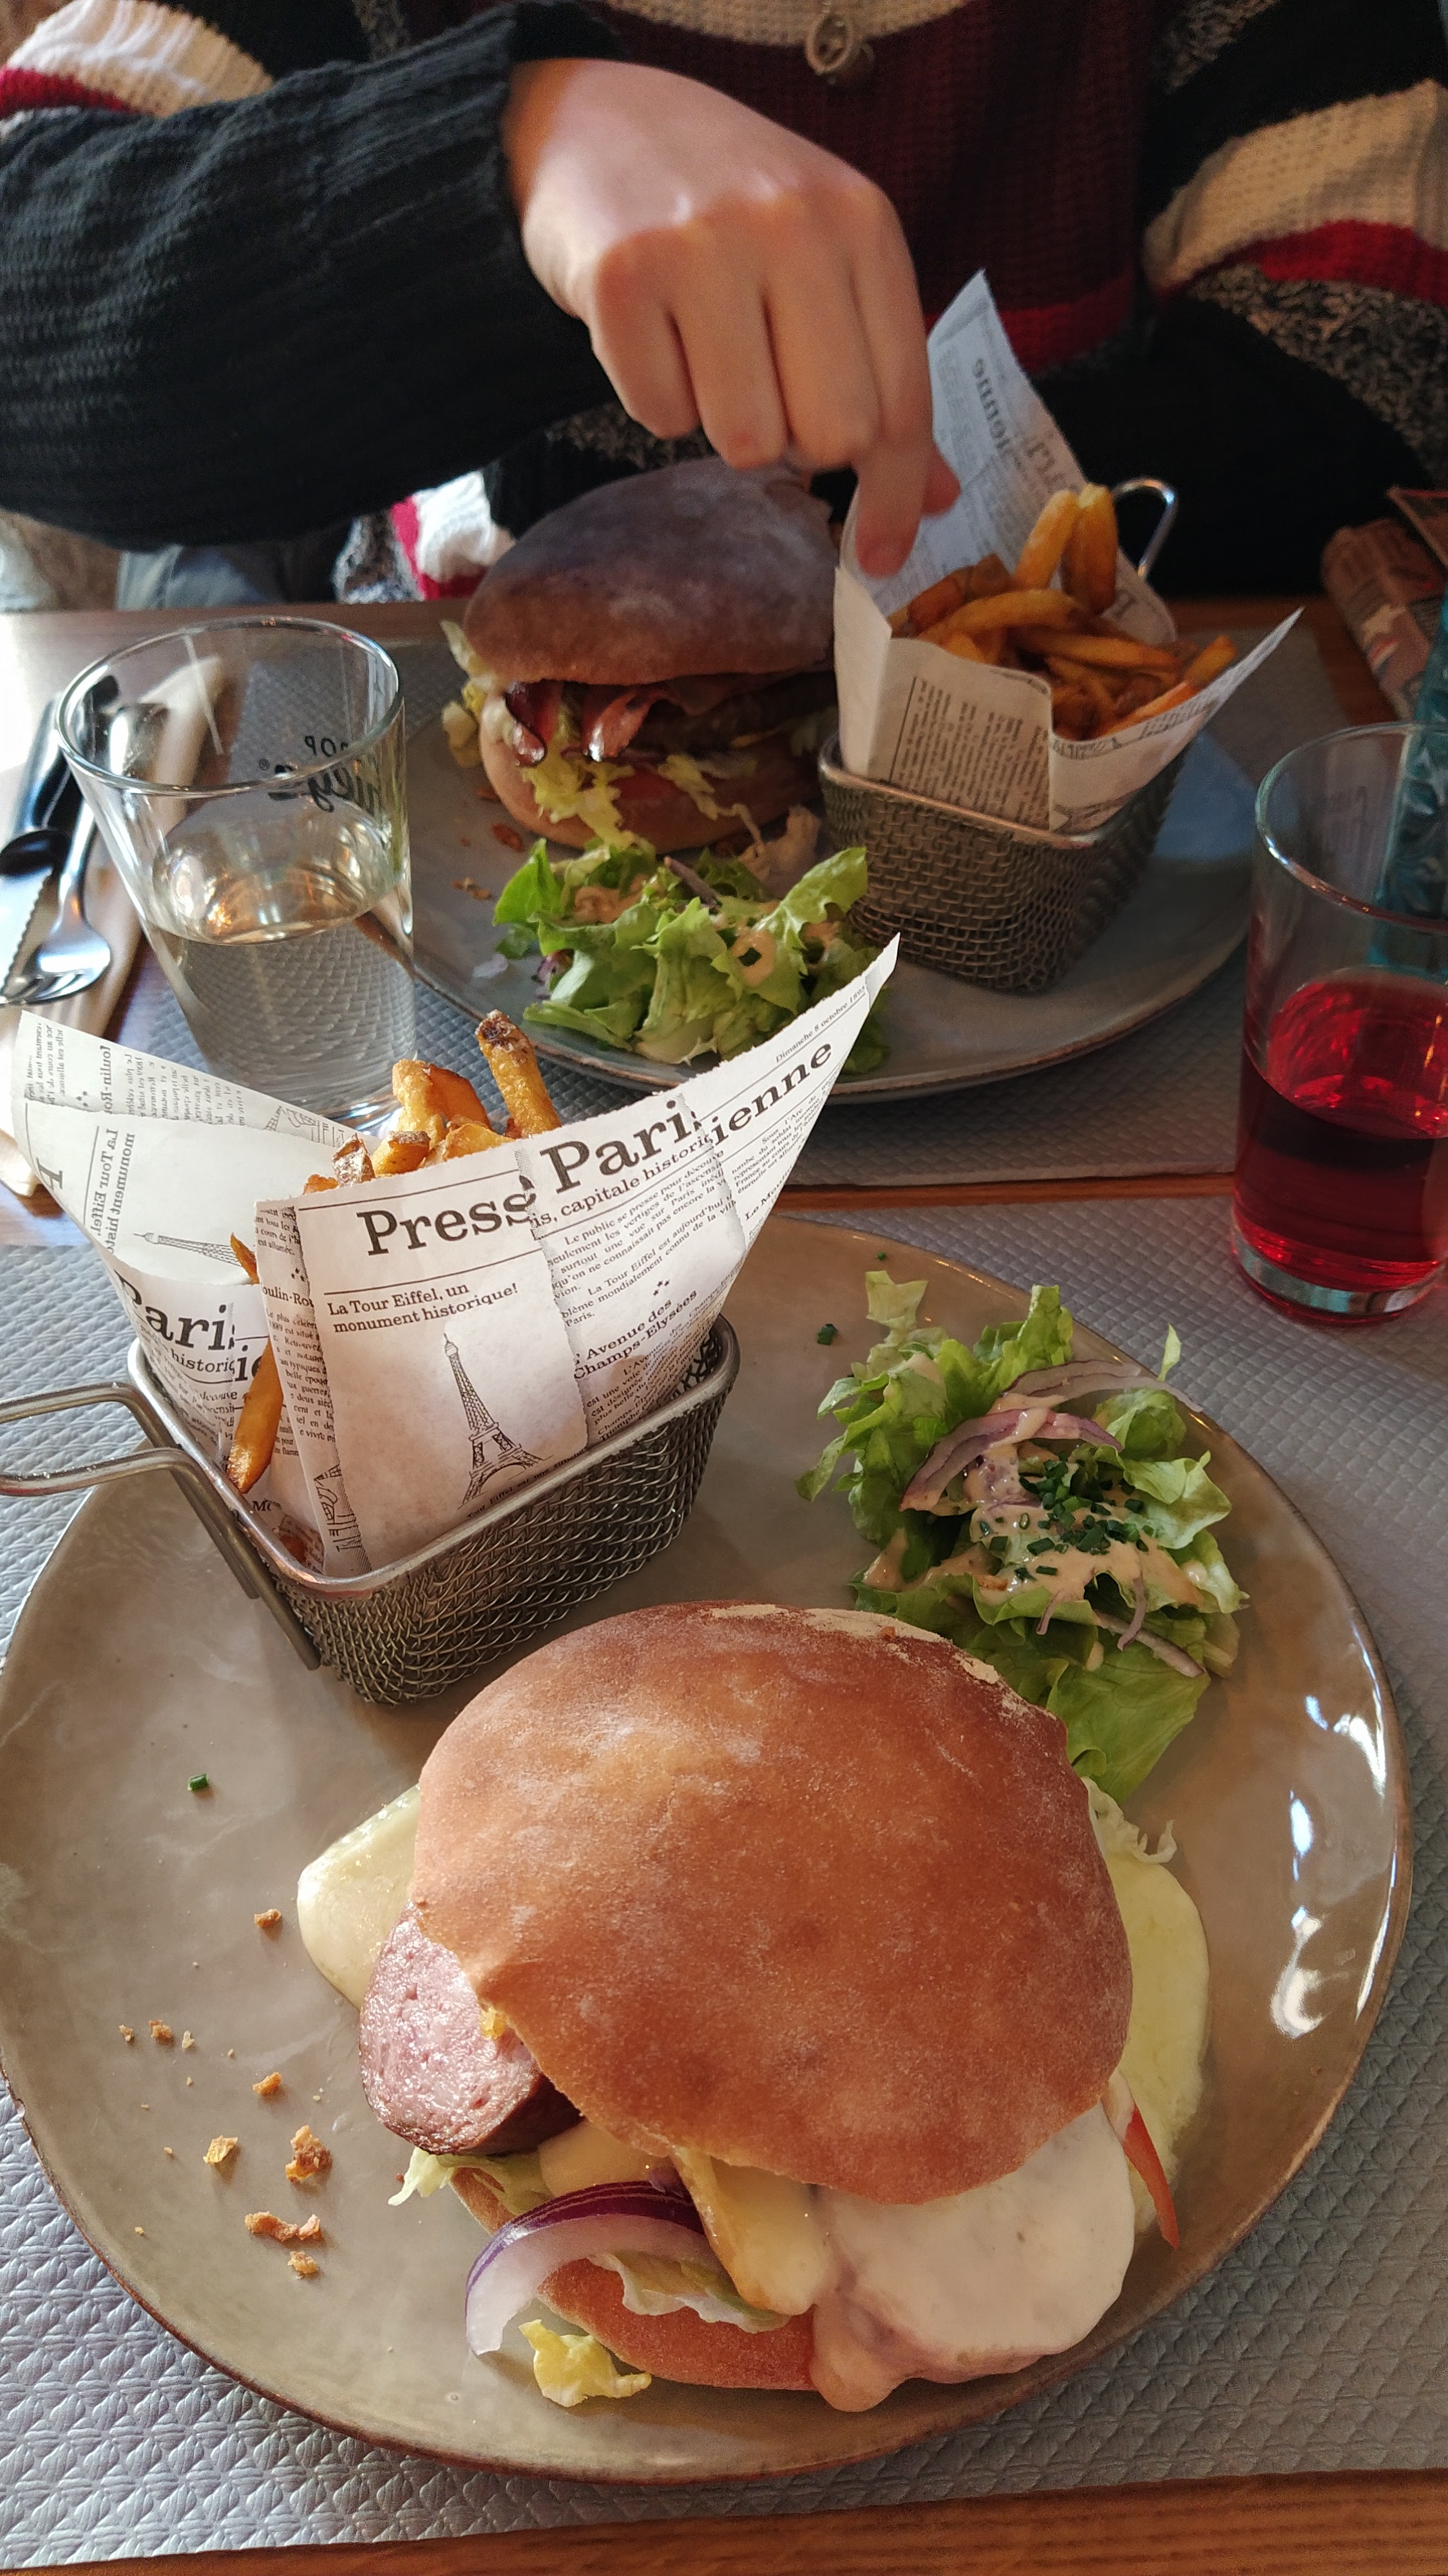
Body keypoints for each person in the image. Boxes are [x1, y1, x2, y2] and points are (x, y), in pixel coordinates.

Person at [0, 0, 1443, 608]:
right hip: (455, 802)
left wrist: (813, 536)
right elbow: (33, 311)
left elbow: (1366, 388)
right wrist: (506, 150)